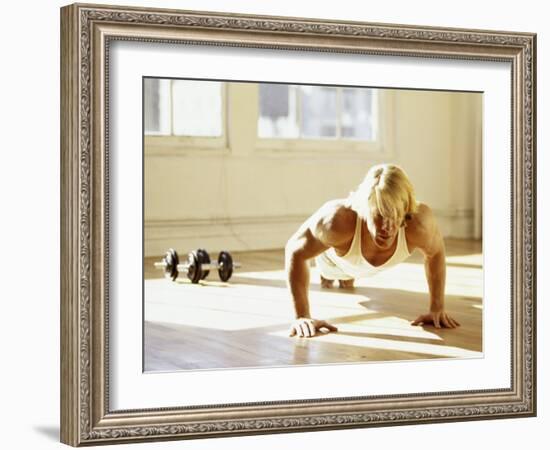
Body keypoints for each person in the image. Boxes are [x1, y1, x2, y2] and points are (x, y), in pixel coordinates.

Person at [285, 163, 460, 338]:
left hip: (361, 263)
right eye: (379, 215)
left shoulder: (420, 224)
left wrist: (437, 308)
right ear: (364, 209)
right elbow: (294, 250)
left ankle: (349, 276)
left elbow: (435, 253)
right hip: (334, 262)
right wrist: (301, 316)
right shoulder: (336, 222)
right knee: (334, 276)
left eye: (394, 216)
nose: (387, 227)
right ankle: (334, 274)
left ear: (405, 212)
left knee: (349, 280)